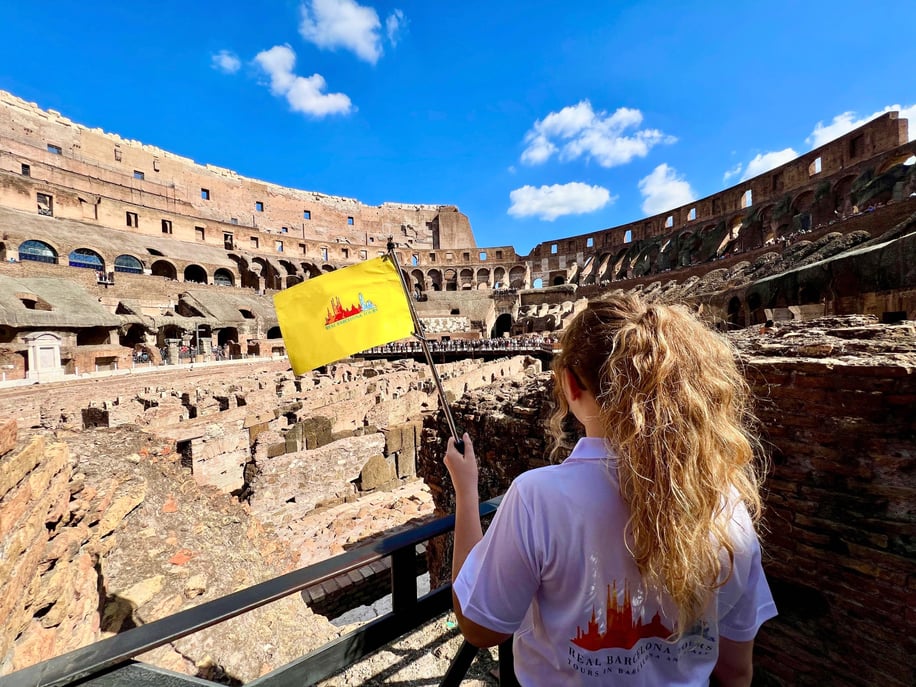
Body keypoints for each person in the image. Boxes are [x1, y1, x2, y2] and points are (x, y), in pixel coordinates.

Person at [445, 293, 777, 686]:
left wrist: (466, 495)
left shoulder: (536, 498)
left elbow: (480, 627)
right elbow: (736, 670)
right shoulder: (726, 502)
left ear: (570, 384)